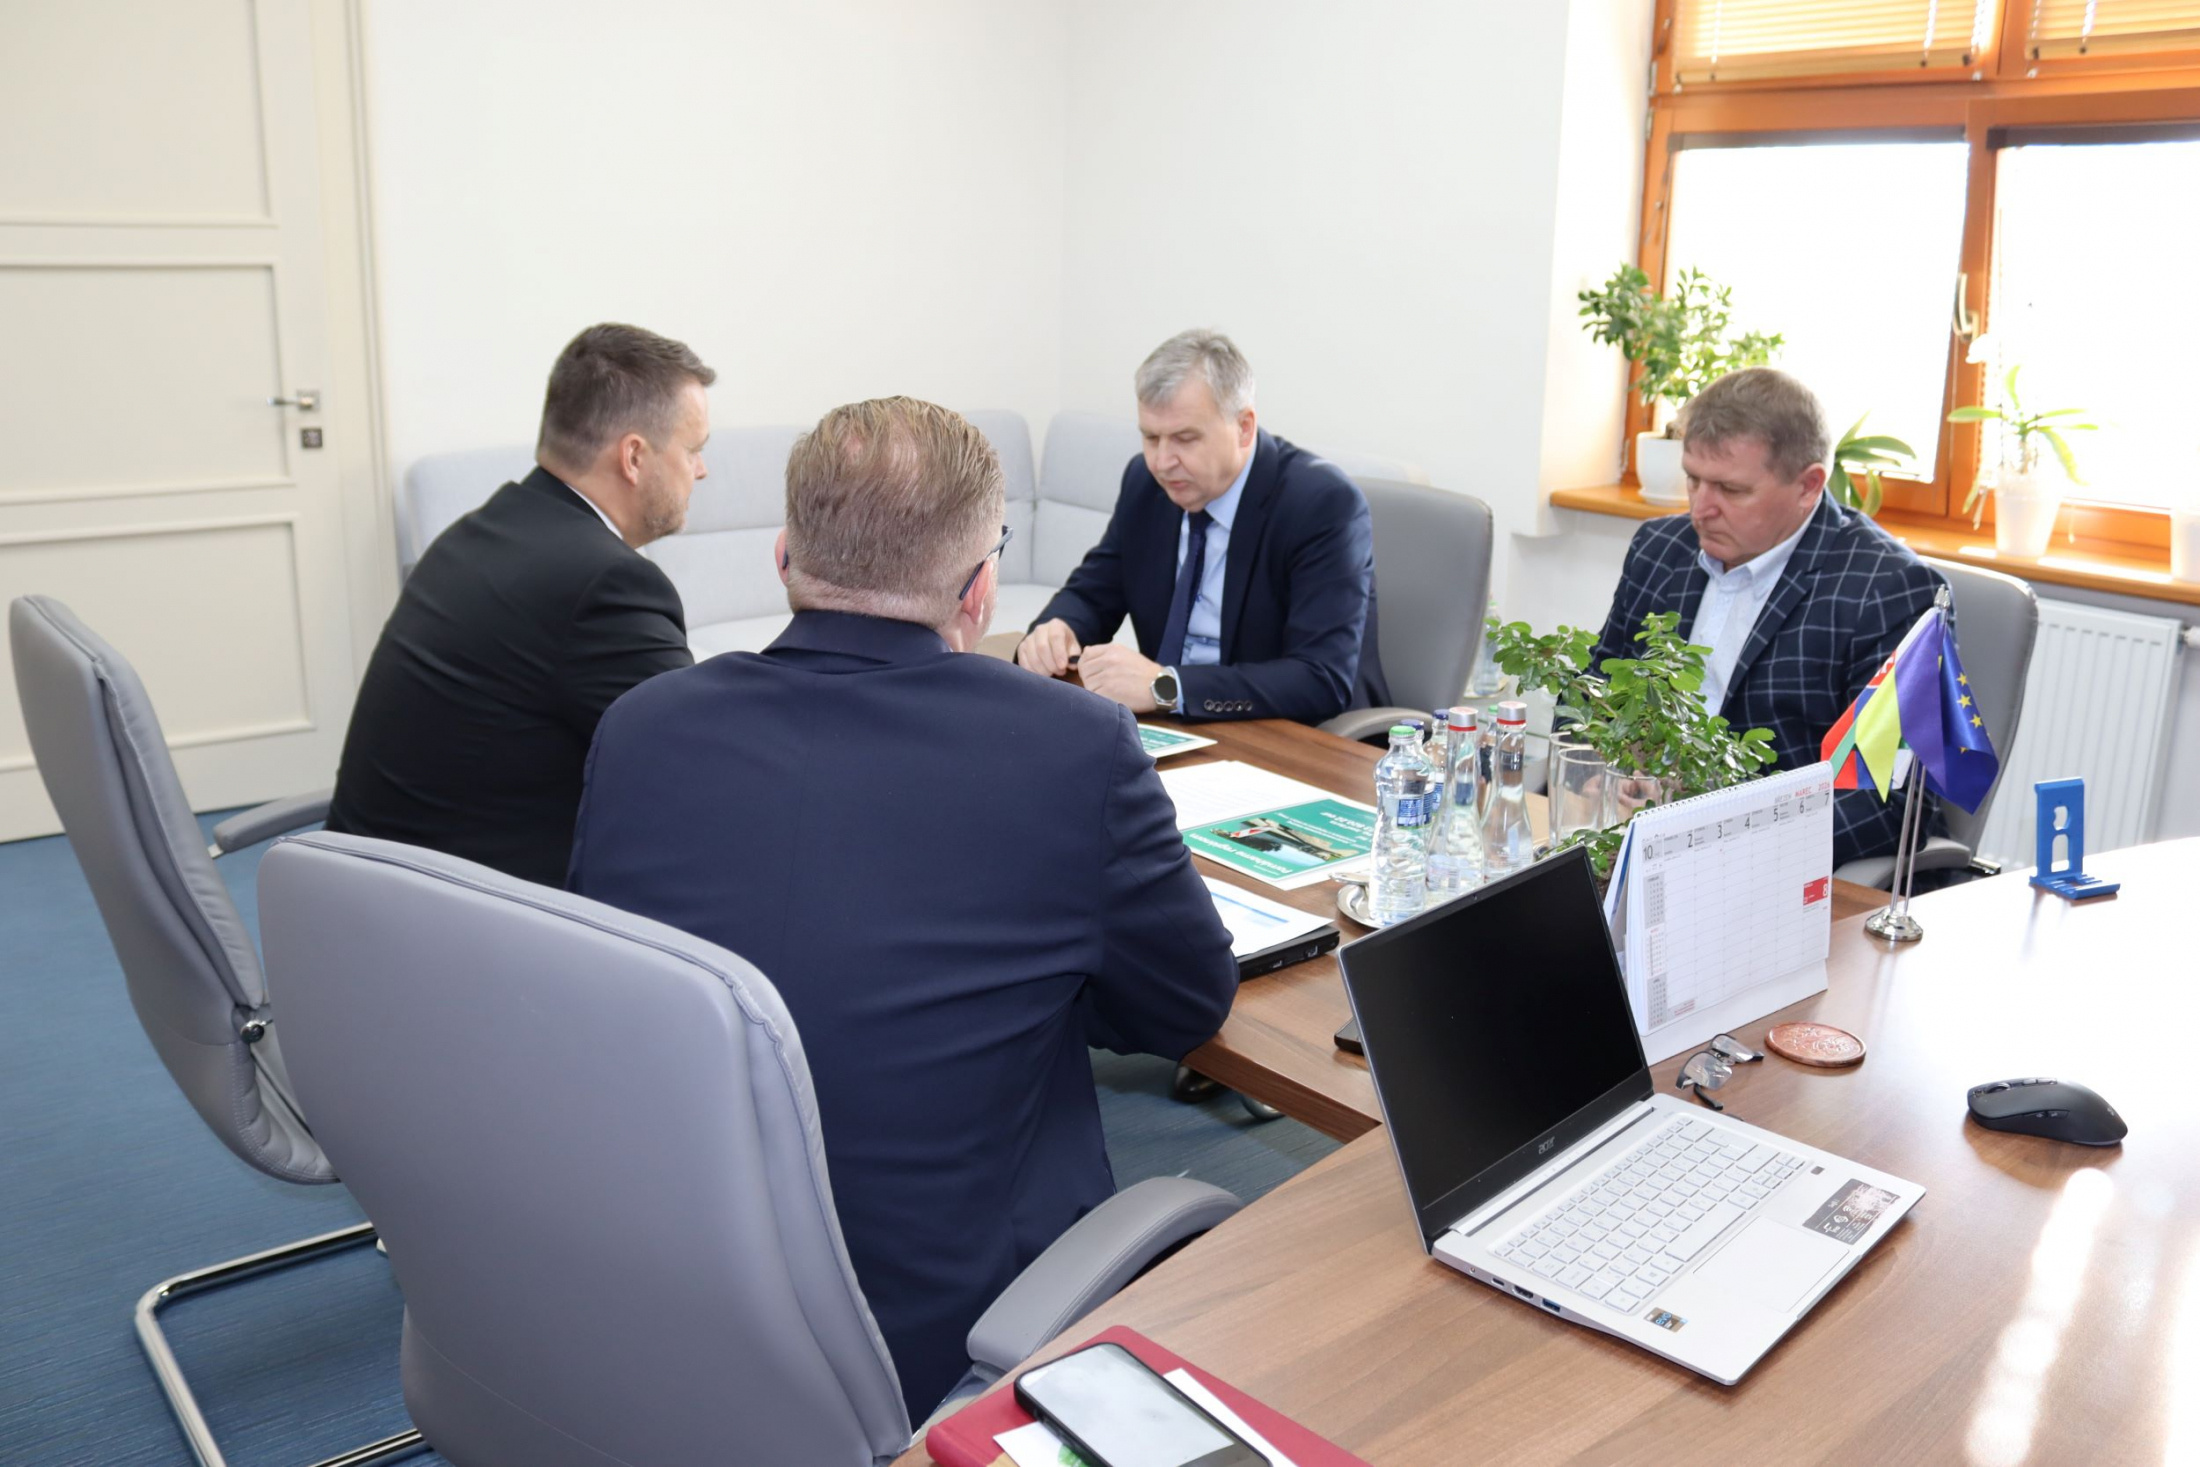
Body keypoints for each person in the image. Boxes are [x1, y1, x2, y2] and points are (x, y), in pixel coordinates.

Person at [567, 397, 1237, 1420]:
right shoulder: (1073, 747)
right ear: (977, 591)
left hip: (667, 1286)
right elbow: (1183, 1006)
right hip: (939, 1343)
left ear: (785, 557)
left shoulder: (641, 727)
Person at [326, 324, 709, 885]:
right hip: (454, 911)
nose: (701, 470)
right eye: (694, 450)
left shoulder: (478, 531)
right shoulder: (607, 584)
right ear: (633, 456)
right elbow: (700, 767)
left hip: (362, 885)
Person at [1589, 367, 1947, 868]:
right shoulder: (1659, 549)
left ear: (1808, 486)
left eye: (1731, 490)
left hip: (1766, 869)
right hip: (1631, 845)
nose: (1701, 509)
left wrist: (1710, 830)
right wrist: (1599, 770)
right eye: (1693, 479)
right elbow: (1592, 693)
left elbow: (1890, 801)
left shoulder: (1886, 589)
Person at [1017, 329, 1388, 724]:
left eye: (1185, 438)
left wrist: (1166, 687)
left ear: (1244, 427)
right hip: (1174, 726)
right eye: (1151, 437)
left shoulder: (1321, 505)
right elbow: (1094, 593)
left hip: (1293, 735)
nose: (1162, 462)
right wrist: (1057, 630)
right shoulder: (1146, 483)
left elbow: (1319, 678)